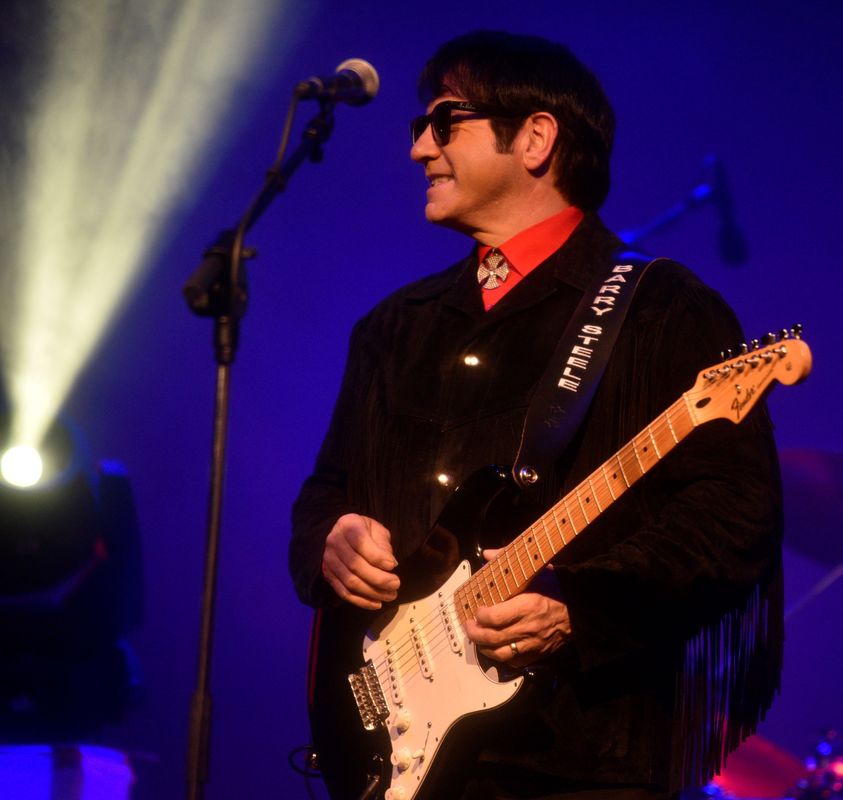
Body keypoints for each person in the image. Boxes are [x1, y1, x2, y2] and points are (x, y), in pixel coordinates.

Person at [290, 30, 783, 800]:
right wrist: (331, 540)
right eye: (418, 128)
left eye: (444, 121)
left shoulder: (662, 310)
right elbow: (327, 488)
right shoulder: (395, 326)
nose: (420, 149)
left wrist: (578, 608)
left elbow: (736, 515)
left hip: (578, 761)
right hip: (394, 749)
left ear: (537, 137)